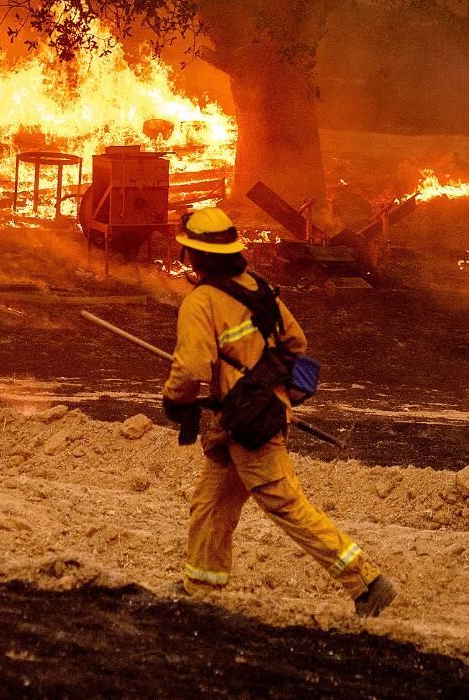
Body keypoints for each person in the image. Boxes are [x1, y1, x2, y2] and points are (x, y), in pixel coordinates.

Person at [161, 205, 397, 617]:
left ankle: (366, 582)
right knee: (212, 501)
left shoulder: (201, 303)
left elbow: (190, 369)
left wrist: (175, 402)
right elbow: (296, 344)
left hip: (249, 423)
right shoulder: (258, 288)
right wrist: (276, 393)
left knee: (285, 504)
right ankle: (200, 584)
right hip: (252, 416)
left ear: (194, 256)